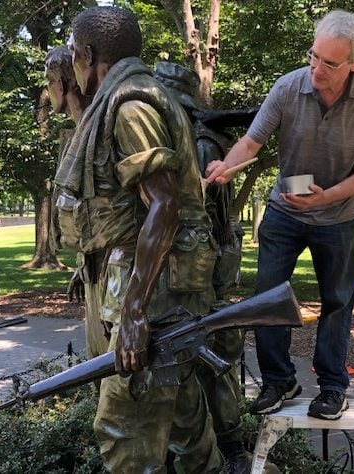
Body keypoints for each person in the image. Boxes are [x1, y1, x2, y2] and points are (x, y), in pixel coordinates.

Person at [56, 6, 223, 472]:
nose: (71, 63)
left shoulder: (131, 105)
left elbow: (164, 204)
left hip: (153, 294)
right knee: (187, 426)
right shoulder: (123, 98)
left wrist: (133, 311)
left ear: (87, 54)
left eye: (73, 53)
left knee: (125, 431)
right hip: (152, 285)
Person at [206, 9, 354, 420]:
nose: (315, 68)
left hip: (340, 217)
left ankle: (332, 388)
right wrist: (224, 165)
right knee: (267, 299)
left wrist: (325, 200)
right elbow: (250, 144)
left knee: (337, 302)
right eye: (313, 55)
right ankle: (278, 381)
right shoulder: (288, 87)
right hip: (284, 211)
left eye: (329, 63)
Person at [153, 62, 254, 473]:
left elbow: (204, 219)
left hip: (197, 274)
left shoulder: (198, 143)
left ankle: (230, 448)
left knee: (210, 366)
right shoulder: (197, 136)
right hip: (196, 270)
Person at [45, 45, 108, 361]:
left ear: (63, 83)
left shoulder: (103, 129)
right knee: (99, 366)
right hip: (93, 271)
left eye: (49, 82)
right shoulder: (75, 135)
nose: (48, 90)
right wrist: (83, 264)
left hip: (117, 274)